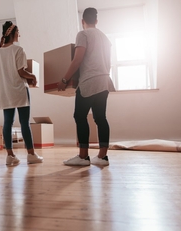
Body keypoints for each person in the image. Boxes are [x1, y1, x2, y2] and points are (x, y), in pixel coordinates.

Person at [58, 7, 115, 166]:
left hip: (89, 81)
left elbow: (77, 60)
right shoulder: (105, 38)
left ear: (83, 22)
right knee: (100, 118)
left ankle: (83, 157)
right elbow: (108, 64)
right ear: (96, 21)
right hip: (104, 81)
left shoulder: (83, 34)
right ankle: (102, 157)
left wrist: (64, 79)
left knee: (79, 116)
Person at [0, 21, 43, 165]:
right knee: (24, 123)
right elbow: (21, 71)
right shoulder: (18, 50)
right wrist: (33, 76)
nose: (19, 34)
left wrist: (6, 83)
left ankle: (10, 156)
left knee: (7, 123)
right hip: (20, 91)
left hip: (5, 93)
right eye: (18, 31)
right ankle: (31, 155)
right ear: (13, 33)